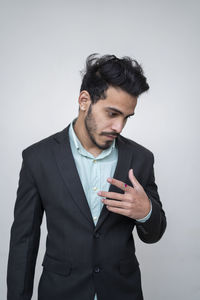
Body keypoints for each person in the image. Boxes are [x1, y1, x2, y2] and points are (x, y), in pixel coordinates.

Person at [7, 54, 167, 300]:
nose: (119, 127)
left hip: (122, 292)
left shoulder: (141, 159)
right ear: (84, 100)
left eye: (126, 117)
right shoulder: (37, 158)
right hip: (60, 291)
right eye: (112, 113)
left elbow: (154, 234)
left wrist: (146, 211)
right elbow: (24, 242)